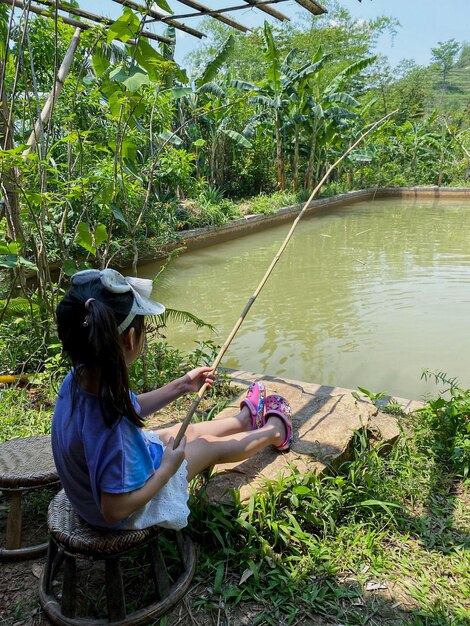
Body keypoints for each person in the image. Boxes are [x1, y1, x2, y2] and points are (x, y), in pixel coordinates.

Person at [51, 268, 292, 532]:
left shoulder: (79, 379)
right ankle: (275, 431)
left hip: (88, 495)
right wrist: (166, 469)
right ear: (130, 339)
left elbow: (127, 407)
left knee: (186, 431)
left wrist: (181, 386)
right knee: (208, 446)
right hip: (126, 511)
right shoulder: (114, 428)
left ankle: (244, 420)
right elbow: (114, 510)